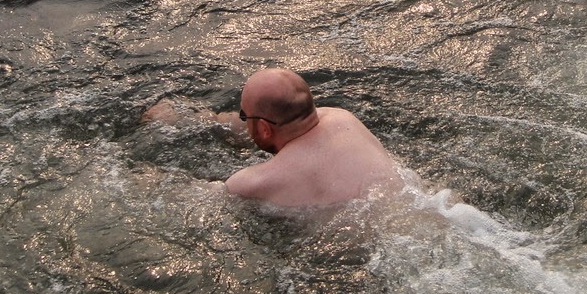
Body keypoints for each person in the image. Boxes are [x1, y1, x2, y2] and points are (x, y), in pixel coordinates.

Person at [142, 68, 401, 208]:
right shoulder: (343, 118)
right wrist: (197, 120)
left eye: (245, 114)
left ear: (264, 129)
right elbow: (262, 125)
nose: (241, 119)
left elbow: (179, 198)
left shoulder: (256, 182)